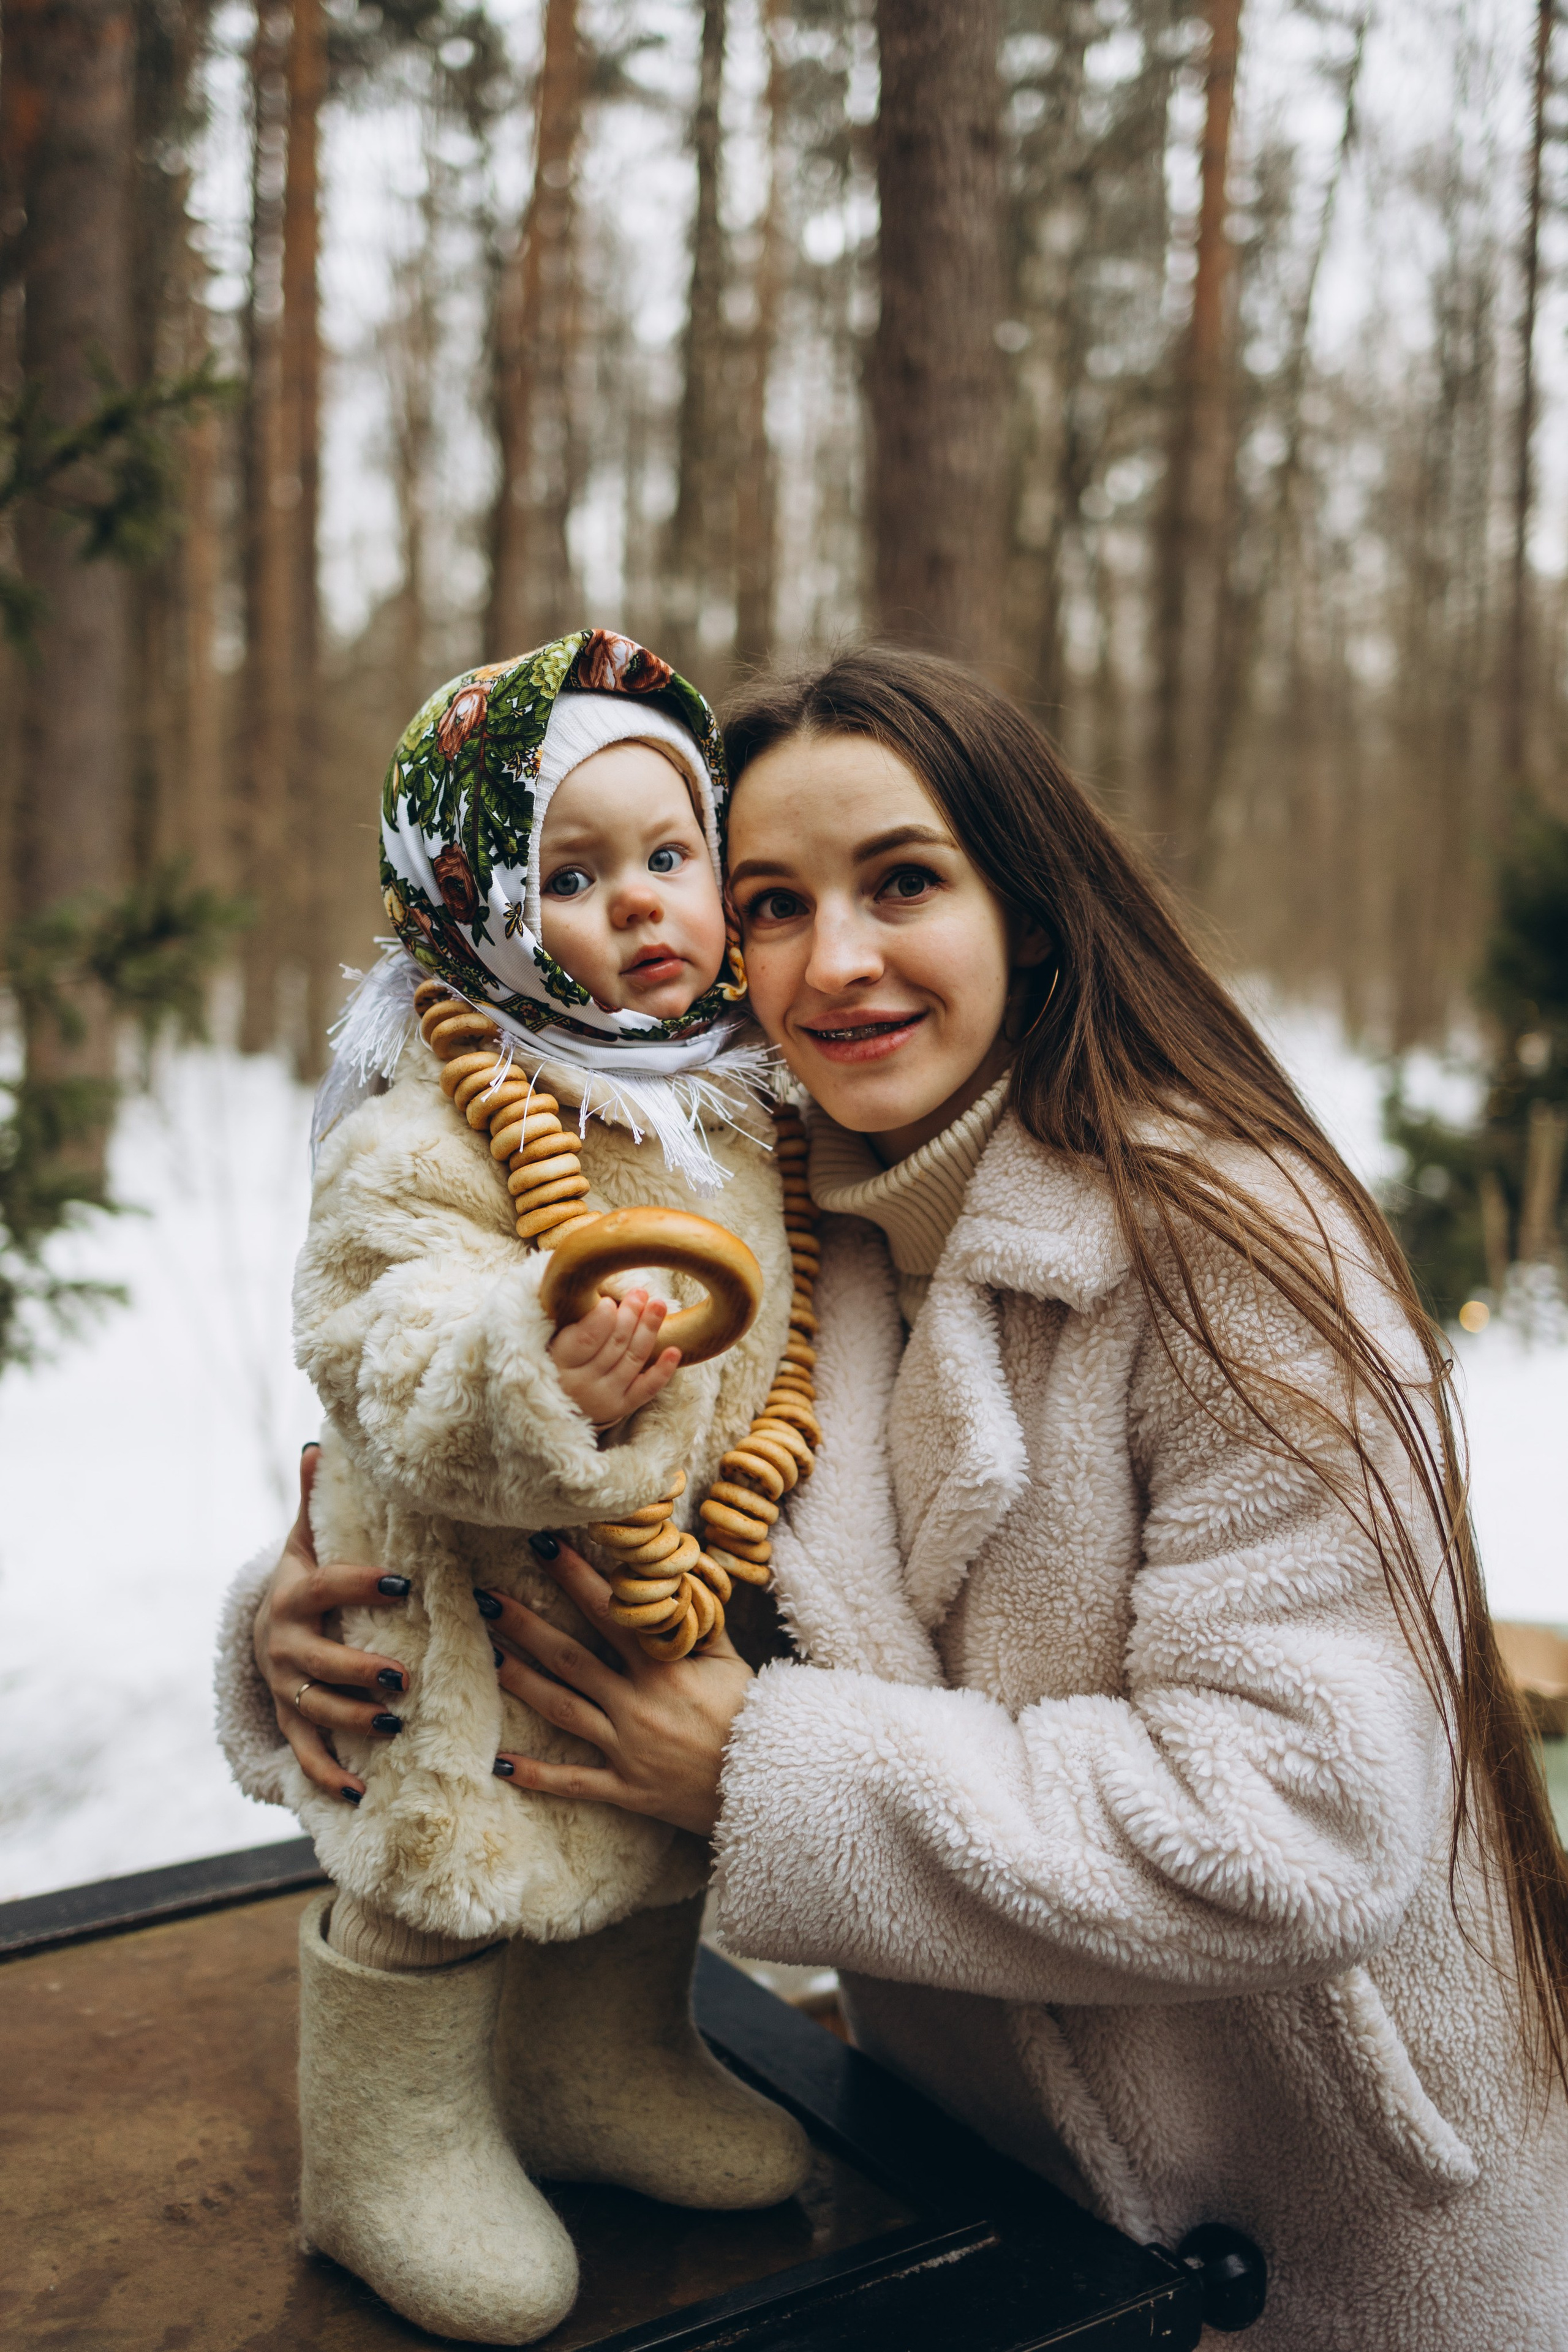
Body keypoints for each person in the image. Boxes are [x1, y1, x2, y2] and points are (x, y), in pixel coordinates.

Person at [250, 646, 1568, 2351]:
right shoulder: (793, 1228)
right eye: (774, 900)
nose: (836, 961)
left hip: (1337, 2230)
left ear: (1027, 906)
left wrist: (753, 1767)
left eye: (903, 883)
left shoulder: (1244, 1259)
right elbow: (581, 1497)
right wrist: (329, 1631)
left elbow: (1303, 1815)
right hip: (982, 2202)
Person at [216, 628, 807, 2348]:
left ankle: (595, 2066)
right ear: (471, 899)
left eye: (671, 854)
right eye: (572, 872)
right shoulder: (429, 1117)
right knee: (447, 1852)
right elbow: (381, 1326)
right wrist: (529, 1368)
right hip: (457, 1608)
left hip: (657, 1595)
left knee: (629, 1844)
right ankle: (384, 2150)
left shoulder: (739, 1107)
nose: (642, 905)